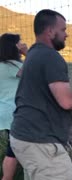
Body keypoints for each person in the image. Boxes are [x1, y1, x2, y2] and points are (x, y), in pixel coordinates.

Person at [10, 9, 72, 180]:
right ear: (50, 31)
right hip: (41, 143)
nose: (67, 35)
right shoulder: (51, 57)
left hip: (23, 137)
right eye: (63, 30)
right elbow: (66, 102)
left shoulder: (33, 54)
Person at [0, 33, 28, 180]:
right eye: (19, 42)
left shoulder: (1, 65)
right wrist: (27, 53)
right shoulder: (13, 66)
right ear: (13, 46)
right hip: (14, 113)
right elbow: (35, 72)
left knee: (14, 147)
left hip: (4, 112)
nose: (22, 44)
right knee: (14, 150)